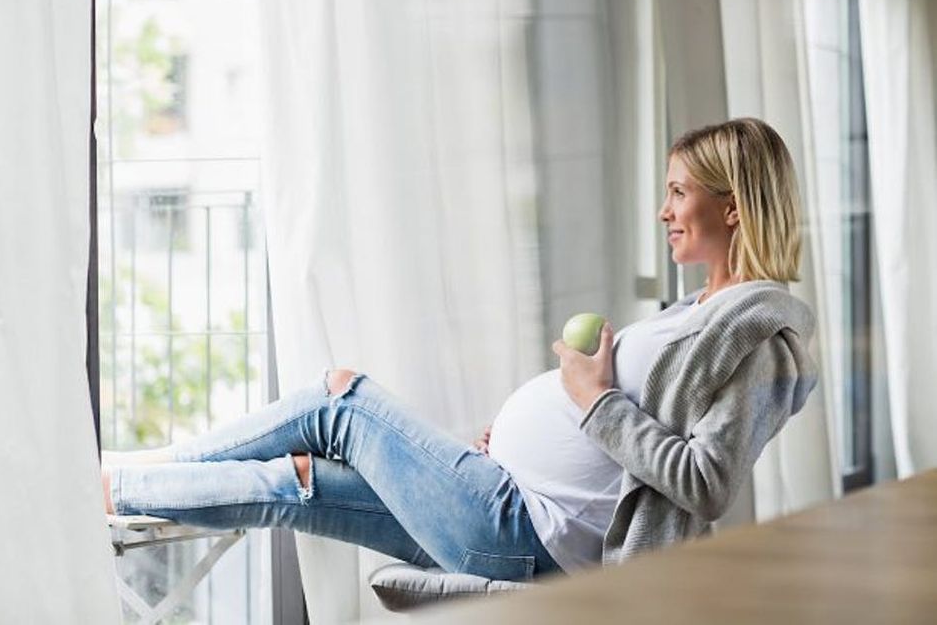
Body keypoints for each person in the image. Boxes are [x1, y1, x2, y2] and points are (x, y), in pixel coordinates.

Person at [102, 117, 818, 580]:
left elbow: (706, 483)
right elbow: (620, 449)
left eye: (678, 191)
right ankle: (120, 489)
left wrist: (591, 397)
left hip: (527, 531)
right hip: (509, 500)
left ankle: (134, 473)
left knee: (340, 400)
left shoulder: (764, 341)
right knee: (298, 480)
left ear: (732, 206)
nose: (664, 210)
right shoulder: (700, 311)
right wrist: (518, 438)